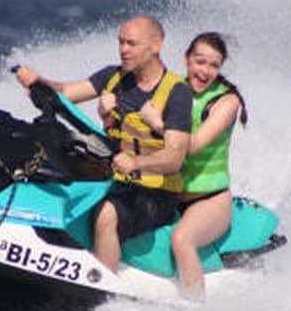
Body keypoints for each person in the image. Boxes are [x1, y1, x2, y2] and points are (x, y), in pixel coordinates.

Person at [15, 15, 193, 272]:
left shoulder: (177, 93)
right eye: (120, 42)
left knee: (107, 213)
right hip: (112, 178)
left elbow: (175, 156)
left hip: (155, 193)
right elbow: (65, 94)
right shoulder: (113, 77)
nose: (123, 50)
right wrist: (38, 82)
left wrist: (136, 162)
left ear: (155, 45)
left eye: (131, 43)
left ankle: (100, 291)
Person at [139, 32, 248, 300]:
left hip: (209, 201)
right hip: (167, 193)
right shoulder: (170, 89)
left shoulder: (226, 101)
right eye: (200, 62)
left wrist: (157, 123)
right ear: (187, 59)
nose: (206, 71)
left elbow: (195, 143)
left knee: (182, 240)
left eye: (214, 65)